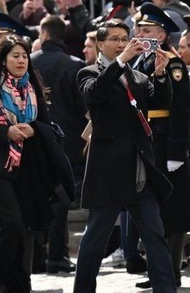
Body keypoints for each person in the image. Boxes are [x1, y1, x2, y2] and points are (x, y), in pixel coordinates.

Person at [0, 34, 74, 292]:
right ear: (3, 60)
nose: (21, 60)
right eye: (15, 55)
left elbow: (47, 126)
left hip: (29, 166)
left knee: (27, 226)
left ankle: (21, 282)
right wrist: (6, 133)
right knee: (11, 224)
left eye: (24, 55)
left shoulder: (33, 87)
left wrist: (34, 130)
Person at [73, 21, 175, 293]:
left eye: (124, 39)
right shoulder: (88, 72)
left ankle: (166, 289)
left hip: (140, 170)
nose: (122, 44)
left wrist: (161, 74)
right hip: (108, 171)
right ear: (101, 44)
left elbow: (160, 102)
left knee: (155, 235)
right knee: (95, 239)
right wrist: (119, 62)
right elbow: (95, 94)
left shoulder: (138, 77)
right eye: (115, 39)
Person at [131, 3, 188, 289]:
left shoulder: (173, 63)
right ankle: (158, 268)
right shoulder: (140, 61)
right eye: (139, 28)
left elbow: (179, 110)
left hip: (165, 143)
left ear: (162, 35)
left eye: (148, 30)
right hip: (148, 140)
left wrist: (176, 150)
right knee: (153, 208)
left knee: (173, 210)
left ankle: (172, 271)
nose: (141, 33)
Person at [30, 15, 86, 273]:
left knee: (35, 195)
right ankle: (56, 254)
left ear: (43, 33)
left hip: (34, 136)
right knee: (60, 198)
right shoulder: (75, 65)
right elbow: (82, 107)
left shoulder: (28, 63)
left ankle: (37, 255)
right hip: (67, 139)